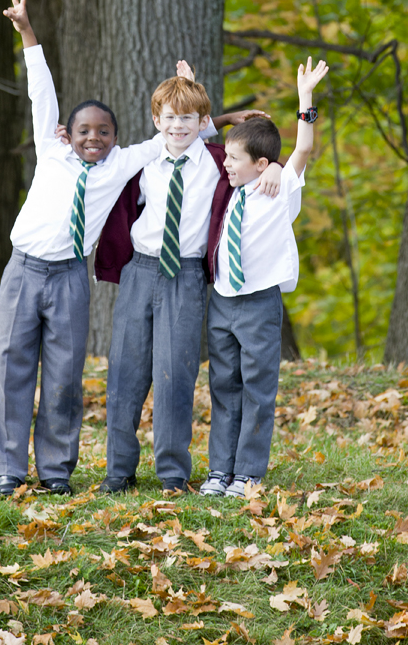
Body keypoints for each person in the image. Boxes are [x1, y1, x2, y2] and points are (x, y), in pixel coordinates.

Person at [0, 0, 219, 499]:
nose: (93, 137)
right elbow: (39, 91)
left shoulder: (123, 163)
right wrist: (28, 32)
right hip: (24, 269)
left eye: (104, 131)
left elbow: (179, 132)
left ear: (117, 136)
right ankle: (8, 467)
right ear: (66, 133)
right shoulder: (50, 152)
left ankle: (55, 470)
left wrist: (197, 103)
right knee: (12, 368)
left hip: (72, 275)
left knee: (67, 378)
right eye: (84, 130)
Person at [96, 68, 283, 495]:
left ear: (202, 124)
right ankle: (119, 469)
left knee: (175, 375)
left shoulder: (219, 162)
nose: (177, 127)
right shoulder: (143, 159)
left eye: (188, 120)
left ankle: (172, 472)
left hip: (185, 275)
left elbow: (258, 163)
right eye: (169, 118)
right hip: (140, 270)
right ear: (156, 120)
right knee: (126, 371)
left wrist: (276, 168)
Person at [200, 55, 329, 499]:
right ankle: (220, 471)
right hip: (222, 302)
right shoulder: (226, 189)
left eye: (234, 158)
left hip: (258, 304)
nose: (226, 164)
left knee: (257, 390)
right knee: (224, 385)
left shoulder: (280, 191)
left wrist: (304, 97)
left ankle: (248, 473)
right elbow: (199, 148)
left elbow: (304, 149)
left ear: (260, 163)